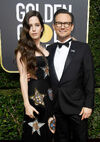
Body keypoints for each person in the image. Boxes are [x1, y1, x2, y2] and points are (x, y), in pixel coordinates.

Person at [47, 9, 95, 142]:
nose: (63, 26)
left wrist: (88, 105)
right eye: (59, 23)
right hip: (57, 108)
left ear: (72, 26)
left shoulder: (83, 48)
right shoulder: (48, 50)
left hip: (78, 108)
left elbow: (89, 78)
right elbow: (45, 75)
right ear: (54, 26)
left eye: (66, 23)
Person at [15, 10, 55, 142]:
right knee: (33, 135)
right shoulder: (23, 50)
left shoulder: (46, 50)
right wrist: (26, 104)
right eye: (30, 26)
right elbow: (22, 77)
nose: (33, 29)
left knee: (48, 135)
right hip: (34, 101)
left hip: (49, 100)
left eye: (37, 25)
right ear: (26, 29)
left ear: (42, 27)